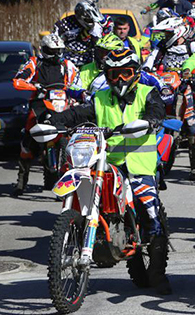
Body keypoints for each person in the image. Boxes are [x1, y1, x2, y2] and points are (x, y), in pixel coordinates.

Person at [48, 48, 171, 295]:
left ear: (135, 73)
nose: (120, 80)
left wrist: (150, 120)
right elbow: (77, 113)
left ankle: (157, 274)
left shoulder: (149, 94)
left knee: (151, 212)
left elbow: (157, 111)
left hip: (139, 166)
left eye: (125, 73)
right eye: (114, 74)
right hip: (106, 163)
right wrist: (54, 120)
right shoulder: (100, 98)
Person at [12, 34, 83, 195]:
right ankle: (21, 181)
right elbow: (18, 80)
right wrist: (34, 86)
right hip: (40, 102)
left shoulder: (67, 64)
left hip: (62, 102)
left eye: (59, 51)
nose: (57, 54)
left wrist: (79, 94)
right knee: (27, 139)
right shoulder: (34, 62)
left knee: (74, 132)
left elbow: (77, 82)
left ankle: (69, 177)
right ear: (44, 49)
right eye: (53, 50)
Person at [54, 0, 108, 66]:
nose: (92, 23)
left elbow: (100, 46)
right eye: (89, 20)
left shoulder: (98, 26)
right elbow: (55, 44)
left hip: (88, 63)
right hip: (68, 63)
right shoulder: (63, 24)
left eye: (93, 20)